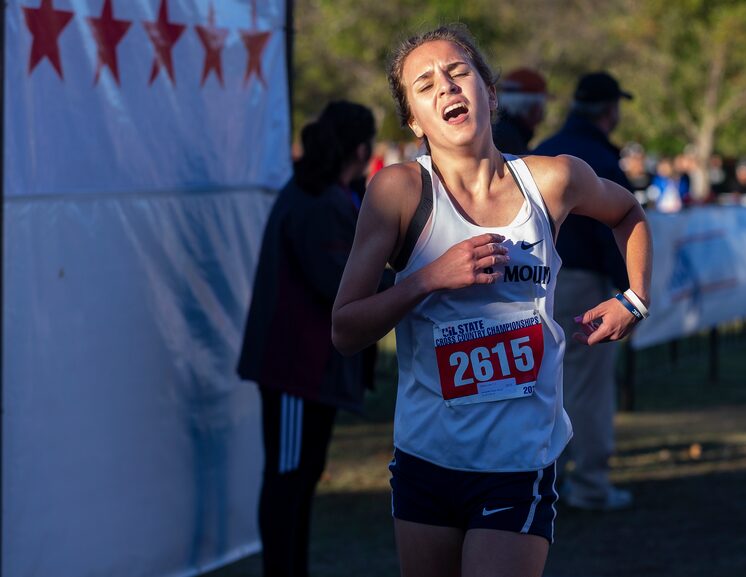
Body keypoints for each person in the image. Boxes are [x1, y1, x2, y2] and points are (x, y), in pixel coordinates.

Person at [332, 25, 652, 577]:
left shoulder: (552, 181)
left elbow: (628, 213)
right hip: (426, 458)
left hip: (518, 459)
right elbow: (345, 330)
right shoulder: (400, 193)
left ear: (489, 92)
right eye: (425, 84)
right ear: (413, 119)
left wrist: (635, 299)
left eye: (459, 73)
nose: (447, 87)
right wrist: (428, 278)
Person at [237, 100, 376, 577]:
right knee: (288, 478)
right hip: (296, 368)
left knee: (298, 475)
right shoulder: (321, 201)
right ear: (361, 148)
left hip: (302, 366)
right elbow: (340, 286)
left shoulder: (315, 193)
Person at [532, 71, 637, 511]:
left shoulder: (541, 151)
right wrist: (629, 292)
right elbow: (620, 225)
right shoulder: (598, 157)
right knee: (588, 387)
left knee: (541, 386)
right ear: (609, 110)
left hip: (534, 282)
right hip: (581, 282)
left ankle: (543, 481)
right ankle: (591, 484)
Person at [491, 67, 550, 155]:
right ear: (534, 108)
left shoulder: (497, 132)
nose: (542, 112)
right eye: (542, 105)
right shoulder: (510, 141)